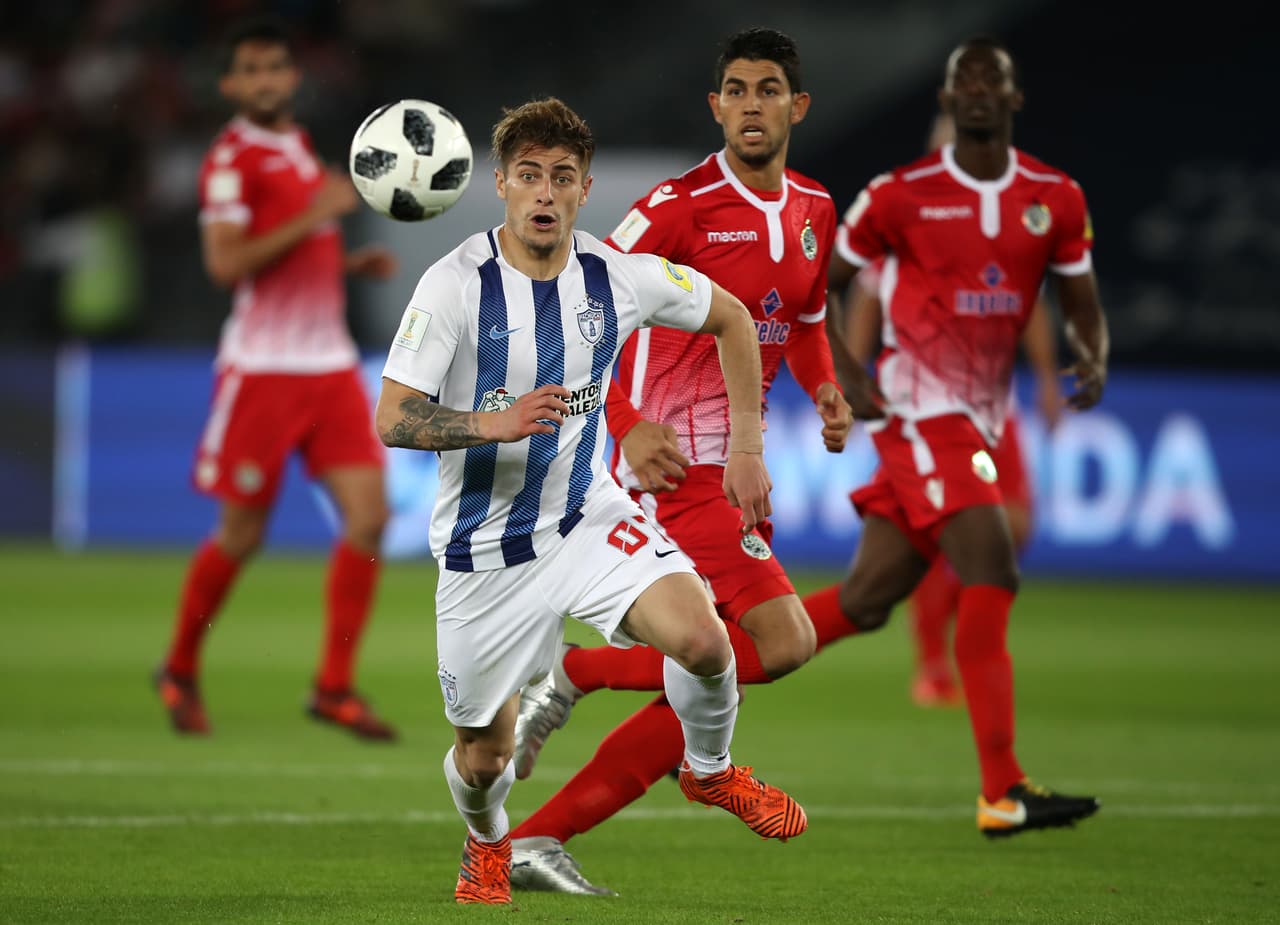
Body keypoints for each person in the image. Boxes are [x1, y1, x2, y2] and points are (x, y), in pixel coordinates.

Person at [375, 96, 807, 906]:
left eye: (563, 177)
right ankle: (487, 841)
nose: (545, 192)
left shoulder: (619, 275)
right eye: (530, 175)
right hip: (485, 553)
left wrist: (746, 444)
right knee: (482, 756)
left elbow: (735, 318)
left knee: (706, 641)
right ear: (501, 184)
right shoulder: (454, 285)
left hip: (585, 518)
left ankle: (708, 771)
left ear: (584, 190)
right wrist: (489, 422)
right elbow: (392, 414)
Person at [506, 28, 850, 895]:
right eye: (734, 89)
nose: (750, 105)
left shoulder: (814, 208)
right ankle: (583, 689)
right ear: (716, 106)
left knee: (722, 670)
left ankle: (539, 826)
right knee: (779, 640)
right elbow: (578, 310)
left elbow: (800, 319)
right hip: (670, 469)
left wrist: (829, 387)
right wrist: (622, 421)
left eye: (767, 89)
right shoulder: (678, 204)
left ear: (795, 106)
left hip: (737, 472)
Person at [801, 36, 1107, 836]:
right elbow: (834, 288)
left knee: (863, 602)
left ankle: (635, 665)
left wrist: (1090, 353)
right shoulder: (901, 198)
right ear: (943, 101)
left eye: (990, 80)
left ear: (1012, 99)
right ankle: (1002, 789)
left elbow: (1066, 292)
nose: (975, 93)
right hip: (919, 411)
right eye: (961, 81)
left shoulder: (1052, 196)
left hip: (981, 413)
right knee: (992, 562)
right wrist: (847, 372)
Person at [153, 17, 400, 741]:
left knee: (371, 518)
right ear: (230, 85)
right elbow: (227, 265)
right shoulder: (230, 159)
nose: (265, 81)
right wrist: (319, 213)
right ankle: (179, 665)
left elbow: (289, 250)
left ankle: (334, 686)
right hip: (263, 370)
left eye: (275, 68)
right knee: (242, 532)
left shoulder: (295, 146)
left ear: (293, 77)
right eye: (250, 71)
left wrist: (347, 264)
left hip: (327, 365)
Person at [843, 114, 1065, 708]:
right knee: (938, 538)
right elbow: (863, 297)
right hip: (921, 412)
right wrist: (852, 377)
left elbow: (1033, 310)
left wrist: (1045, 378)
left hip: (994, 407)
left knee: (1013, 527)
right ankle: (935, 662)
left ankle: (957, 650)